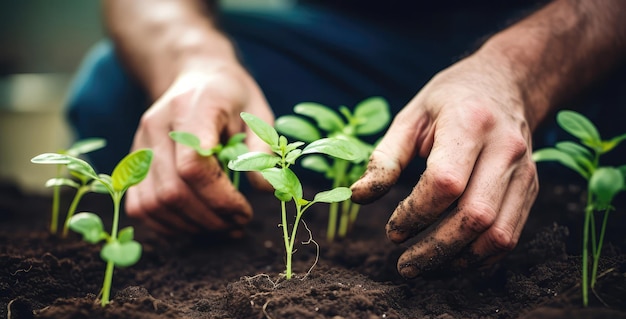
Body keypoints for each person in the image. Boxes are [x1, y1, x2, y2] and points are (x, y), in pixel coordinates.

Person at [66, 0, 626, 278]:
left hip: (567, 42)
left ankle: (536, 179)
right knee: (118, 87)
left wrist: (518, 74)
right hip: (347, 48)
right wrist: (191, 59)